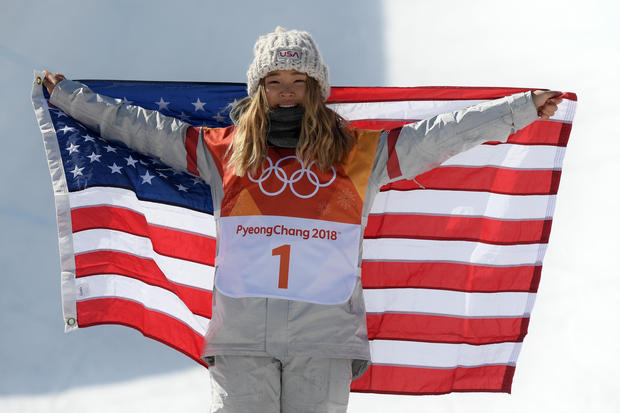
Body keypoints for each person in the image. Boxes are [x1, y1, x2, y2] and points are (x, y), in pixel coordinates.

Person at [42, 26, 562, 413]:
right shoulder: (223, 152)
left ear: (317, 87)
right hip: (243, 340)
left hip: (324, 342)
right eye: (274, 80)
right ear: (259, 87)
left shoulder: (362, 155)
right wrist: (71, 98)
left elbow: (439, 135)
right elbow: (142, 128)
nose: (286, 90)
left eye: (299, 79)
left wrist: (519, 109)